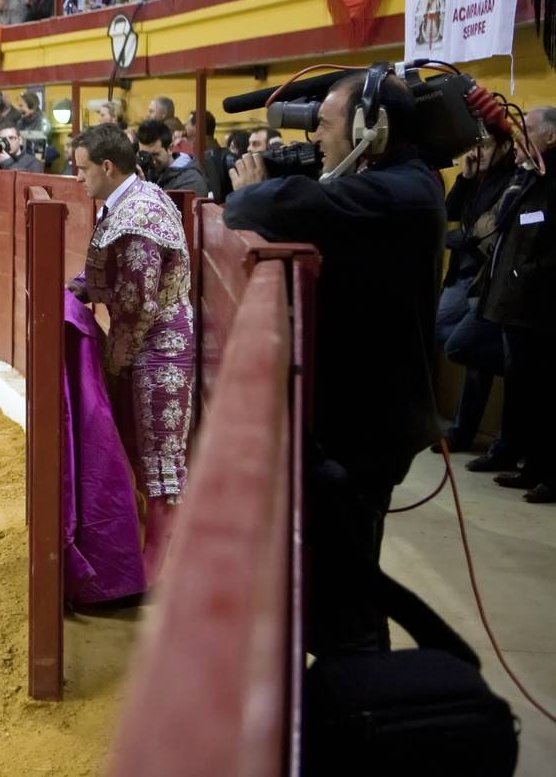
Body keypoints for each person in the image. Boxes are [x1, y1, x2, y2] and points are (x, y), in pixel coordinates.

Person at [224, 71, 445, 652]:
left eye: (324, 124)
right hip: (364, 411)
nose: (316, 137)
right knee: (343, 573)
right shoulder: (395, 180)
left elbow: (264, 206)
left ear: (372, 129)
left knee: (347, 589)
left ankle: (362, 697)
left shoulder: (403, 191)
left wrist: (249, 187)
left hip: (370, 424)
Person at [69, 123, 194, 580]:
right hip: (150, 343)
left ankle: (159, 568)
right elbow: (119, 281)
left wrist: (119, 356)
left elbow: (139, 301)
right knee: (145, 455)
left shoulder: (138, 214)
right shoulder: (131, 201)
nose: (78, 178)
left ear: (106, 166)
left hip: (159, 349)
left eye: (82, 170)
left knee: (161, 461)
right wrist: (78, 289)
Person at [475, 106, 556, 503]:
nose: (521, 136)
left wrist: (529, 272)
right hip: (515, 302)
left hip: (540, 304)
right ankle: (530, 466)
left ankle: (547, 473)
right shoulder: (529, 175)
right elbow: (501, 222)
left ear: (552, 137)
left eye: (530, 129)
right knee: (524, 389)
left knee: (542, 393)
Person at [435, 133, 515, 454]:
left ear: (504, 147)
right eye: (473, 145)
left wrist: (461, 239)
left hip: (486, 277)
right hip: (462, 273)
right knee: (442, 330)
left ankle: (462, 431)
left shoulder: (511, 178)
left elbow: (494, 230)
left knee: (467, 348)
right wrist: (466, 178)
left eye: (483, 145)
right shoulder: (477, 177)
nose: (476, 152)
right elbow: (450, 212)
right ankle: (462, 431)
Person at [134, 120, 208, 193]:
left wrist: (143, 190)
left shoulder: (191, 180)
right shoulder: (145, 172)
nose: (150, 161)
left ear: (170, 149)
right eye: (144, 155)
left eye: (155, 155)